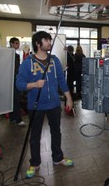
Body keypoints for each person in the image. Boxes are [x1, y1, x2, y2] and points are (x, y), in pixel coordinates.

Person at [16, 31, 74, 178]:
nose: (49, 42)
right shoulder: (28, 63)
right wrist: (34, 84)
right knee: (35, 135)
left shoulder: (54, 60)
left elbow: (61, 80)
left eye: (49, 40)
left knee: (56, 132)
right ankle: (35, 163)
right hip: (35, 106)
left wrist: (69, 98)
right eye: (46, 40)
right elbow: (19, 84)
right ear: (37, 43)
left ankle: (58, 158)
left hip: (54, 104)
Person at [9, 37, 26, 126]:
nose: (18, 45)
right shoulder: (8, 54)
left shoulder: (17, 55)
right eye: (16, 43)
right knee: (14, 99)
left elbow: (18, 68)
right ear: (11, 43)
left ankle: (13, 117)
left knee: (15, 99)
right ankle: (17, 119)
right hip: (11, 80)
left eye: (18, 43)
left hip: (14, 79)